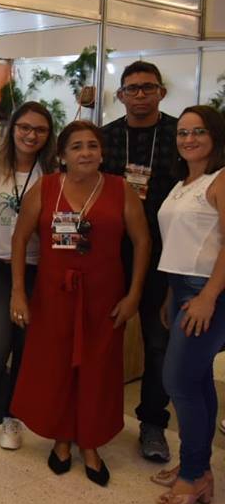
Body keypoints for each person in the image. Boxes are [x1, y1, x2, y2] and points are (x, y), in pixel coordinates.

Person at [10, 121, 150, 486]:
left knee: (98, 370)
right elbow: (19, 239)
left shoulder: (121, 189)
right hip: (53, 297)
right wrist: (18, 292)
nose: (85, 152)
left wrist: (134, 294)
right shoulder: (45, 188)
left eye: (92, 146)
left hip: (104, 299)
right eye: (76, 147)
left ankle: (89, 442)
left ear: (102, 153)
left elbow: (142, 241)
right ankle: (61, 438)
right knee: (57, 368)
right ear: (62, 155)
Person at [0, 102, 57, 451]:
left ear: (49, 136)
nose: (31, 135)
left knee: (25, 346)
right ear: (13, 128)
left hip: (38, 267)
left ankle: (12, 416)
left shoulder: (51, 173)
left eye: (40, 130)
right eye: (25, 127)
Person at [100, 61, 178, 462]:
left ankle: (152, 424)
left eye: (148, 87)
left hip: (165, 256)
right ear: (120, 95)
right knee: (98, 338)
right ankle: (93, 413)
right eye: (132, 88)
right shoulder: (105, 138)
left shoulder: (180, 135)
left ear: (161, 92)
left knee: (158, 343)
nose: (141, 95)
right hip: (110, 254)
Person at [151, 105, 225, 504]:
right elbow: (180, 245)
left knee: (177, 380)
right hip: (181, 287)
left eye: (198, 132)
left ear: (215, 136)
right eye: (182, 133)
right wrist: (170, 294)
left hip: (208, 290)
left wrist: (208, 296)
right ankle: (198, 466)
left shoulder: (221, 179)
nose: (189, 139)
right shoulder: (184, 183)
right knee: (196, 381)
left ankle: (193, 474)